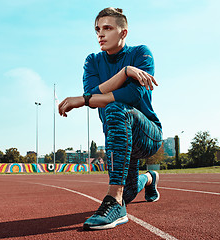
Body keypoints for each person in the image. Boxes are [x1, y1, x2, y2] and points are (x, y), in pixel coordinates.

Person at [58, 7, 163, 230]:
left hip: (147, 133)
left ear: (123, 32)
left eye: (107, 28)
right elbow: (92, 95)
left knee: (116, 107)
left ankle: (114, 201)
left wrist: (85, 99)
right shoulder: (92, 61)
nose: (100, 34)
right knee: (131, 193)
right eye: (97, 29)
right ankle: (150, 178)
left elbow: (133, 95)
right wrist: (124, 72)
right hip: (119, 140)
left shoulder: (142, 53)